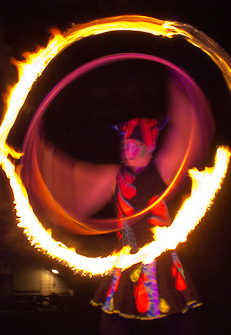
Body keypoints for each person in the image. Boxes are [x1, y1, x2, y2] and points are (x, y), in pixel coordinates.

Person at [90, 78, 213, 335]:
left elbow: (186, 138)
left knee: (176, 320)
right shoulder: (115, 176)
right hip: (126, 255)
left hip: (159, 255)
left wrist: (181, 93)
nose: (128, 151)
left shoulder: (161, 171)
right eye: (125, 145)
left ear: (149, 148)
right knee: (113, 321)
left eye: (135, 146)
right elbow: (80, 186)